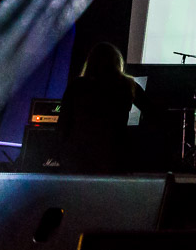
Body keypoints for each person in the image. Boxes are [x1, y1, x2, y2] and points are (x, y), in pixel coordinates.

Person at [55, 42, 141, 173]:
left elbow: (63, 122)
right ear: (117, 62)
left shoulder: (77, 85)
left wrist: (60, 152)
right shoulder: (127, 84)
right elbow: (153, 111)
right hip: (113, 152)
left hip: (79, 154)